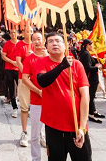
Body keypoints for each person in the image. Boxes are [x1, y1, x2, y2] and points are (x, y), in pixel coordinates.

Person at [34, 32, 91, 161]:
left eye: (58, 41)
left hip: (76, 126)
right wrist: (62, 66)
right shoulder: (41, 63)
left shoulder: (77, 65)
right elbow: (42, 81)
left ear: (66, 45)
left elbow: (85, 96)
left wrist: (82, 127)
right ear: (46, 47)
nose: (54, 43)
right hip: (53, 126)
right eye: (50, 41)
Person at [21, 31, 47, 161]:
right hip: (37, 101)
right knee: (35, 134)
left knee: (53, 133)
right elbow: (25, 78)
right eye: (34, 39)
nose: (37, 42)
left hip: (52, 100)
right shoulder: (29, 59)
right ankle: (36, 158)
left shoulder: (51, 57)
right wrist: (38, 91)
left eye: (39, 39)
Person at [78, 39, 105, 124]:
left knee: (92, 95)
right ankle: (90, 114)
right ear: (87, 45)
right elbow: (87, 68)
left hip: (92, 77)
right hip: (91, 78)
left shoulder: (86, 53)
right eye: (91, 45)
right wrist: (97, 67)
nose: (92, 46)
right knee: (91, 95)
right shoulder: (85, 54)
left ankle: (93, 111)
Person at [15, 26, 34, 146]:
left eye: (31, 31)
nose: (30, 33)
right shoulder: (20, 45)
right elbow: (18, 61)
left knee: (38, 108)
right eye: (27, 31)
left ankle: (39, 132)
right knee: (24, 107)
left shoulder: (38, 44)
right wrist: (27, 75)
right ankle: (24, 131)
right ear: (23, 32)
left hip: (37, 80)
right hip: (24, 79)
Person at [1, 29, 20, 118]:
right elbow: (3, 56)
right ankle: (14, 108)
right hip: (9, 69)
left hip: (20, 69)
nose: (13, 34)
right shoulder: (7, 44)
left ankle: (26, 108)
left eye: (14, 33)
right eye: (11, 33)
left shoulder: (21, 43)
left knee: (23, 89)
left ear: (18, 34)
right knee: (12, 90)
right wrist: (12, 62)